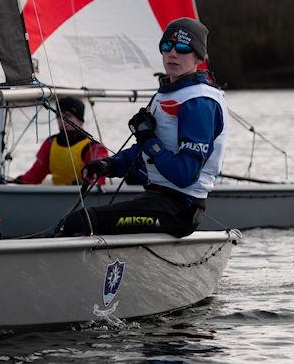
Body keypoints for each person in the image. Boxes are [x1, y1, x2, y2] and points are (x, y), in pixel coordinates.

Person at [59, 17, 227, 238]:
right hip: (156, 199)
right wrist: (109, 165)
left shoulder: (199, 102)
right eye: (167, 46)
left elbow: (184, 174)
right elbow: (145, 153)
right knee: (71, 222)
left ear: (198, 56)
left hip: (181, 209)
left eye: (183, 48)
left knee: (79, 223)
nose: (173, 53)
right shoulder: (166, 94)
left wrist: (148, 138)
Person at [12, 97, 107, 185]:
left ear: (80, 121)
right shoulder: (50, 143)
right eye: (59, 116)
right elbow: (35, 175)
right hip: (56, 198)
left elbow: (98, 181)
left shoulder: (94, 147)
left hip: (83, 198)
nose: (63, 121)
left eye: (68, 116)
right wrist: (13, 182)